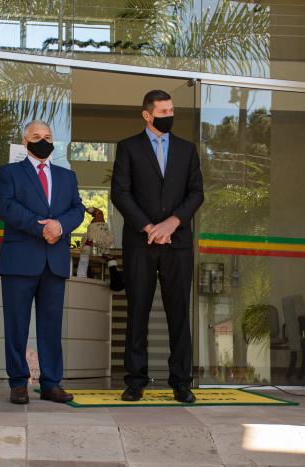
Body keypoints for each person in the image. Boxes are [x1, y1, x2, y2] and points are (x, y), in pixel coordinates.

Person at [111, 90, 204, 403]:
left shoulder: (187, 150)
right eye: (163, 111)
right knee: (138, 312)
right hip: (140, 243)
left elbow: (196, 193)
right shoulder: (128, 148)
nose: (169, 115)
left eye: (171, 110)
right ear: (147, 115)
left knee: (179, 314)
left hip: (178, 244)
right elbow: (120, 192)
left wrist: (172, 224)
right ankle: (135, 381)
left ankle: (181, 382)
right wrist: (150, 227)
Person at [0, 120, 85, 404]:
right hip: (19, 260)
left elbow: (78, 209)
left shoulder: (66, 176)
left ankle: (51, 383)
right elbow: (6, 207)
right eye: (36, 136)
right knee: (16, 325)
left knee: (51, 327)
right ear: (25, 142)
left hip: (54, 263)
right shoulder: (9, 173)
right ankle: (18, 383)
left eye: (47, 136)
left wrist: (60, 226)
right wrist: (41, 227)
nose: (43, 141)